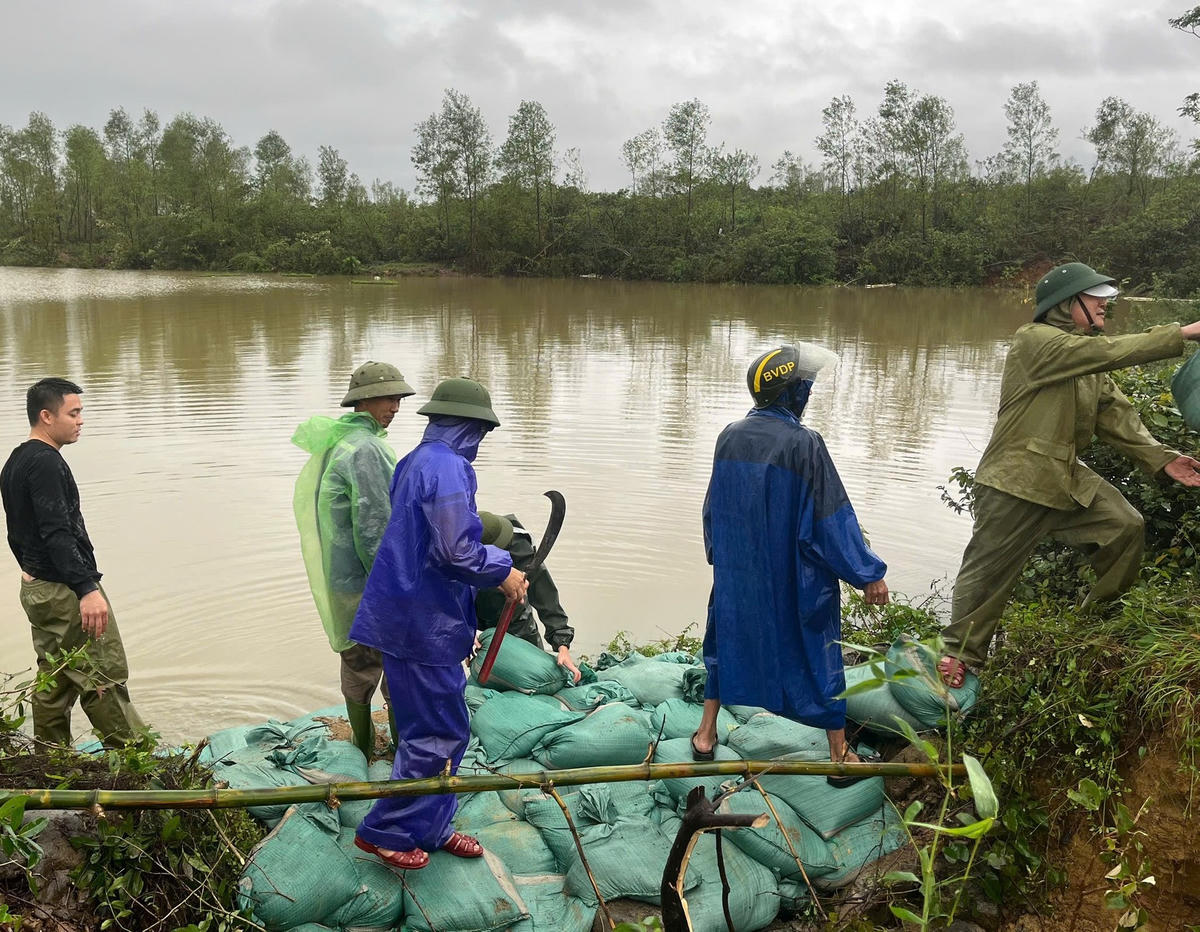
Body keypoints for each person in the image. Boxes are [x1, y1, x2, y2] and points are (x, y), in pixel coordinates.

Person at [939, 262, 1200, 688]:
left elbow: (1114, 414)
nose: (1105, 304)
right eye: (1095, 297)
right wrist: (1183, 333)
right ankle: (958, 654)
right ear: (1065, 303)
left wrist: (1162, 458)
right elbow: (1106, 352)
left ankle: (1090, 623)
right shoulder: (1035, 341)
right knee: (988, 573)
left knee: (1125, 527)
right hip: (1015, 480)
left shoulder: (1085, 355)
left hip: (1065, 478)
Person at [349, 378, 528, 871]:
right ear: (470, 427)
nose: (481, 442)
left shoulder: (415, 460)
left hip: (406, 614)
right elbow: (455, 551)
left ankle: (430, 826)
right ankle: (385, 831)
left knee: (429, 729)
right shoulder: (449, 467)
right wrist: (503, 568)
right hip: (423, 624)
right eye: (481, 432)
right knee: (441, 733)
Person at [692, 344, 890, 787]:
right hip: (793, 579)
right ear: (790, 393)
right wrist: (868, 573)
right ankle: (839, 756)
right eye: (805, 388)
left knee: (725, 643)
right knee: (820, 652)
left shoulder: (729, 436)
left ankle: (704, 736)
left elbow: (712, 511)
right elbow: (830, 517)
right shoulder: (805, 444)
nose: (809, 395)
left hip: (740, 575)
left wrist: (725, 561)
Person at [1, 378, 147, 748]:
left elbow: (16, 534)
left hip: (36, 588)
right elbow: (57, 532)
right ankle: (138, 763)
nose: (81, 421)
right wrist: (86, 589)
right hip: (65, 589)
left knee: (56, 676)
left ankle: (51, 759)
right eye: (74, 413)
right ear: (46, 416)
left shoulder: (17, 460)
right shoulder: (46, 463)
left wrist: (33, 573)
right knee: (103, 674)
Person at [292, 360, 415, 758]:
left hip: (343, 580)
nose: (394, 407)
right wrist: (397, 587)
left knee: (357, 662)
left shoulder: (338, 442)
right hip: (371, 581)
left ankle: (361, 747)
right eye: (387, 399)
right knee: (397, 664)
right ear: (363, 401)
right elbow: (375, 527)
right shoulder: (367, 449)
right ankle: (401, 749)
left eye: (398, 399)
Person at [476, 510, 581, 684]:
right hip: (476, 621)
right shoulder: (457, 555)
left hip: (516, 621)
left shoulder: (518, 548)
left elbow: (545, 596)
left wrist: (562, 646)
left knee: (533, 675)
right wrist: (465, 633)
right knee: (483, 680)